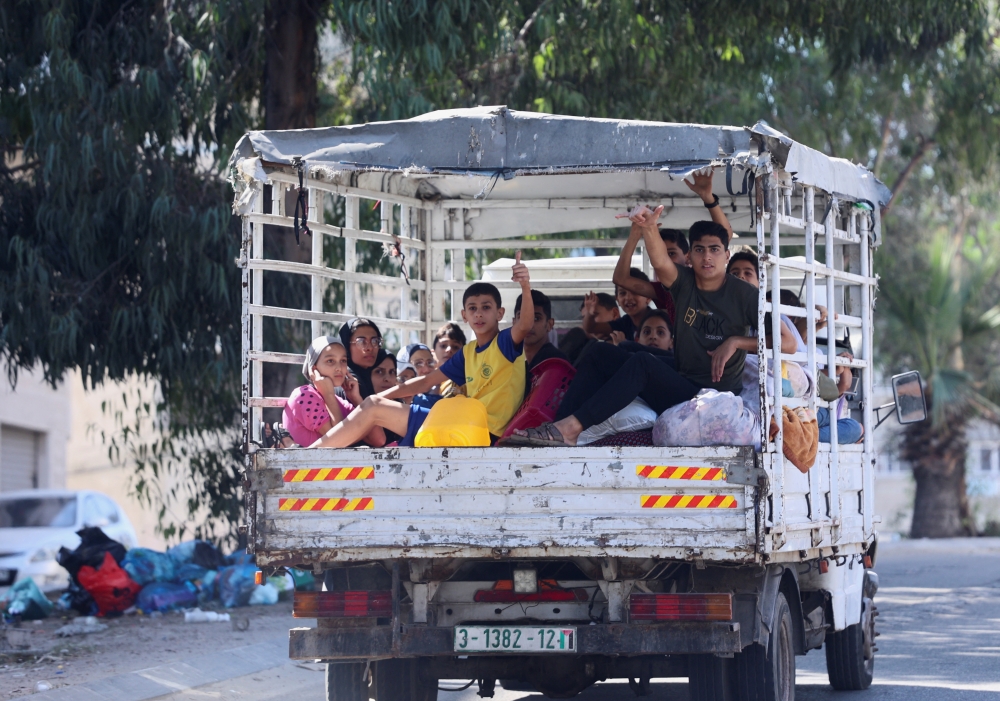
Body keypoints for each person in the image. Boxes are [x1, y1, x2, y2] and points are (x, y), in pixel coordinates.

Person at [510, 168, 759, 446]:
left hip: (711, 394)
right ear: (690, 256)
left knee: (642, 362)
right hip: (682, 375)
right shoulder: (684, 281)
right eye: (700, 250)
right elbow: (659, 262)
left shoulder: (745, 295)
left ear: (727, 255)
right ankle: (558, 432)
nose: (707, 257)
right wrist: (647, 227)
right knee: (600, 351)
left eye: (715, 250)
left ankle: (571, 428)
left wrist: (736, 341)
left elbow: (782, 342)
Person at [310, 254, 533, 447]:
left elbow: (524, 325)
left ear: (500, 313)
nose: (479, 314)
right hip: (460, 423)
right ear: (464, 315)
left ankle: (311, 456)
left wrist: (525, 285)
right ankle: (316, 453)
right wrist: (380, 395)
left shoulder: (504, 342)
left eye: (486, 307)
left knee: (374, 407)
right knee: (374, 404)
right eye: (473, 309)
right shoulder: (469, 351)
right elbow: (425, 382)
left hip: (478, 431)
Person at [283, 336, 383, 447]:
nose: (339, 368)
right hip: (311, 464)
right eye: (330, 361)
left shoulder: (339, 401)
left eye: (343, 361)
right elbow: (339, 442)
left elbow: (378, 440)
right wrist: (328, 394)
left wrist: (356, 399)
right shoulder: (303, 395)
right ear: (314, 369)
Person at [612, 229, 689, 327]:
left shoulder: (701, 283)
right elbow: (620, 279)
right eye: (658, 256)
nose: (664, 261)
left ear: (688, 257)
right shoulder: (662, 291)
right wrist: (634, 235)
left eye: (671, 254)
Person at [582, 268, 652, 342]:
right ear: (617, 300)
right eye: (623, 293)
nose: (628, 298)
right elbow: (591, 328)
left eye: (635, 292)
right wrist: (590, 314)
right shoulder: (623, 323)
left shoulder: (658, 320)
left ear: (648, 297)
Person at [514, 289, 568, 374]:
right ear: (514, 323)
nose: (528, 325)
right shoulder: (520, 364)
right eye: (522, 318)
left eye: (536, 318)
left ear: (549, 324)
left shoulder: (553, 362)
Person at [338, 318, 386, 399]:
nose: (370, 348)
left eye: (375, 341)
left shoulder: (374, 378)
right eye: (361, 342)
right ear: (346, 346)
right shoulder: (348, 382)